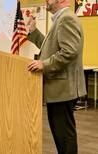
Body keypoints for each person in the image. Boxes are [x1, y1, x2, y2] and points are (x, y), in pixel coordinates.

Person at [27, 0, 86, 153]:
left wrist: (44, 64)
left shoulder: (67, 18)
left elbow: (69, 51)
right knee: (61, 135)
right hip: (59, 90)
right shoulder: (61, 19)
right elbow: (51, 48)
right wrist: (33, 31)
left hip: (63, 89)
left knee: (64, 136)